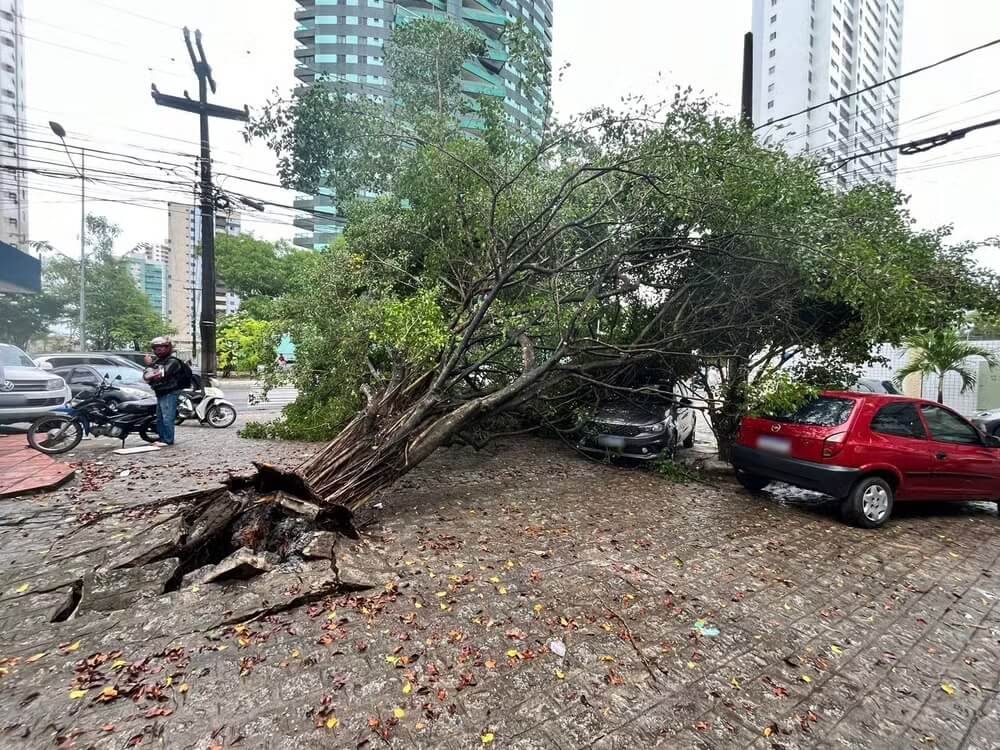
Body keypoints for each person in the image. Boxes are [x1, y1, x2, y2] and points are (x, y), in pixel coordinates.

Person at [142, 336, 186, 447]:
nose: (159, 350)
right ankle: (162, 438)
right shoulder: (160, 361)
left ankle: (167, 440)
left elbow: (160, 374)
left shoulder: (172, 361)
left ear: (168, 348)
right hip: (161, 392)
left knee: (167, 417)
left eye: (162, 347)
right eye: (156, 348)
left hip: (169, 392)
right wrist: (151, 370)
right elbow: (147, 375)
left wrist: (150, 366)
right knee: (160, 418)